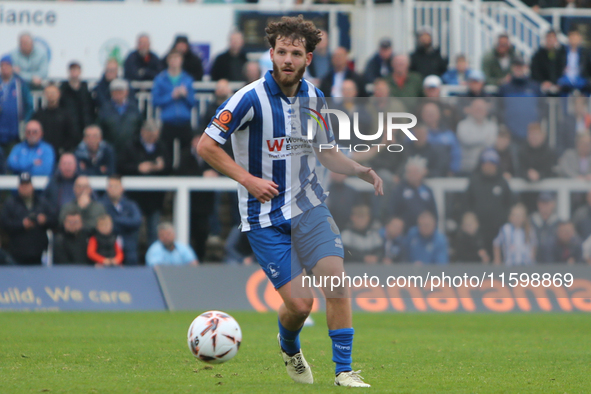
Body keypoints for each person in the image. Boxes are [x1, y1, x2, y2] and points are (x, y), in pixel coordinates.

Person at [197, 16, 382, 387]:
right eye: (281, 52)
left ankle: (344, 371)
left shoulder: (315, 98)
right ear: (271, 54)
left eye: (295, 53)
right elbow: (206, 145)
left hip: (309, 205)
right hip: (263, 217)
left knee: (336, 284)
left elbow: (325, 152)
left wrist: (358, 168)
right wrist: (248, 180)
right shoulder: (249, 98)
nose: (287, 59)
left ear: (307, 59)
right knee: (300, 305)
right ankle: (289, 345)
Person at [118, 120, 170, 245]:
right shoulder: (131, 146)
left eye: (155, 135)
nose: (153, 138)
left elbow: (169, 167)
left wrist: (161, 167)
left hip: (155, 198)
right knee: (134, 230)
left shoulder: (161, 146)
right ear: (143, 132)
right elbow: (121, 166)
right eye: (150, 135)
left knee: (153, 231)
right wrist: (138, 168)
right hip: (135, 197)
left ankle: (152, 260)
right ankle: (132, 261)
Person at [464, 149, 514, 254]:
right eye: (485, 163)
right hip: (477, 233)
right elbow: (465, 205)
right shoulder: (474, 181)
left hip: (499, 232)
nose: (488, 166)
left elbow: (510, 205)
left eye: (492, 163)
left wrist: (504, 222)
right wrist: (469, 220)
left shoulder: (502, 182)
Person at [0, 172, 57, 265]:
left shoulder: (42, 203)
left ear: (32, 186)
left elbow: (55, 220)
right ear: (19, 187)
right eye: (22, 185)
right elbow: (4, 224)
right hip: (16, 254)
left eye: (27, 185)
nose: (25, 188)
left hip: (39, 253)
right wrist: (21, 224)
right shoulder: (10, 204)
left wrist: (45, 220)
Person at [152, 50, 196, 160]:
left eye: (177, 58)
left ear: (181, 61)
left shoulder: (188, 79)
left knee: (186, 154)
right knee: (166, 153)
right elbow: (155, 101)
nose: (174, 62)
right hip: (168, 121)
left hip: (184, 121)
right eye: (172, 59)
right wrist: (171, 96)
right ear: (168, 61)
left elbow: (193, 103)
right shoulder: (160, 79)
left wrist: (185, 95)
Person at [498, 57, 543, 143]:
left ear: (525, 67)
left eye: (520, 66)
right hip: (511, 135)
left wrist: (537, 124)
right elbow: (499, 109)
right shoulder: (505, 88)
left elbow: (542, 107)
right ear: (512, 68)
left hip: (531, 135)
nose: (518, 69)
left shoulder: (534, 87)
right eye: (516, 66)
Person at [100, 175, 142, 265]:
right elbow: (102, 225)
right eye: (111, 186)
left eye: (116, 186)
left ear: (122, 188)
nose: (113, 189)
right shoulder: (101, 205)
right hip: (107, 249)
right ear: (107, 188)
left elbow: (136, 222)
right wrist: (126, 224)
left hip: (129, 249)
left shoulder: (131, 205)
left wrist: (114, 220)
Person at [388, 157, 437, 231]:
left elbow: (434, 213)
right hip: (404, 231)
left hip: (424, 231)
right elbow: (392, 212)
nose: (412, 175)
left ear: (422, 173)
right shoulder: (399, 189)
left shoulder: (428, 190)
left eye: (415, 172)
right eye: (410, 172)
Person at [97, 79, 142, 155]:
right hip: (110, 150)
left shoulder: (134, 108)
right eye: (115, 91)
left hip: (131, 151)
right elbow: (100, 127)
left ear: (126, 92)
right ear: (111, 93)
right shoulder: (104, 109)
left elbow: (140, 127)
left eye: (121, 91)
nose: (118, 94)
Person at [456, 98, 498, 175]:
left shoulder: (492, 125)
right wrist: (485, 139)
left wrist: (474, 138)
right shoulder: (462, 125)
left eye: (481, 108)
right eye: (476, 108)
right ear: (470, 109)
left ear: (486, 111)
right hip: (466, 168)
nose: (479, 110)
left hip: (486, 169)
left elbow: (491, 142)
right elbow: (466, 141)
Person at [32, 84, 77, 154]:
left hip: (60, 152)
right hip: (41, 152)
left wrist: (64, 149)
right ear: (44, 95)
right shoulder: (38, 114)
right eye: (48, 93)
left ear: (59, 94)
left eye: (53, 93)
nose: (51, 95)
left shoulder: (66, 115)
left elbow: (72, 135)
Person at [0, 55, 33, 149]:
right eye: (2, 65)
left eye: (7, 65)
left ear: (12, 67)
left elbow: (29, 105)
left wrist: (25, 122)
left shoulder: (20, 83)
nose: (4, 67)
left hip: (14, 133)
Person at [420, 102, 461, 175]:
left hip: (444, 176)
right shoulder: (414, 134)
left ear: (439, 115)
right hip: (419, 176)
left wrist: (452, 171)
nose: (430, 115)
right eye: (427, 112)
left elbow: (456, 155)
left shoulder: (449, 135)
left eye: (432, 112)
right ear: (422, 115)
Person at [60, 62, 95, 139]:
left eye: (76, 70)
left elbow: (90, 109)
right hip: (68, 128)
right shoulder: (62, 90)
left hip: (85, 127)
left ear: (80, 72)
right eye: (72, 70)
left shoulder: (86, 90)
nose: (74, 72)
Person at [556, 27, 591, 95]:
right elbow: (556, 67)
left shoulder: (585, 53)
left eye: (575, 37)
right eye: (572, 37)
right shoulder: (562, 52)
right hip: (565, 80)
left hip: (581, 80)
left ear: (579, 39)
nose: (574, 39)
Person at [530, 30, 566, 95]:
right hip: (541, 84)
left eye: (553, 37)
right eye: (549, 37)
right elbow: (534, 71)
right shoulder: (538, 54)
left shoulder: (561, 54)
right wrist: (543, 82)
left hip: (557, 84)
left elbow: (562, 69)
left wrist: (555, 82)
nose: (550, 39)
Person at [530, 191, 559, 262]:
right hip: (534, 263)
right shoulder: (531, 221)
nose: (544, 206)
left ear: (553, 204)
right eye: (542, 203)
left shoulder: (558, 222)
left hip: (554, 262)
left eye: (547, 203)